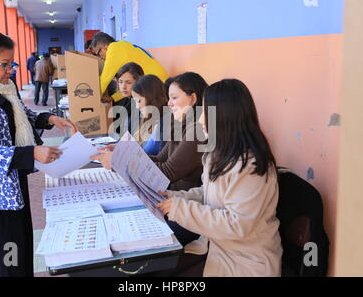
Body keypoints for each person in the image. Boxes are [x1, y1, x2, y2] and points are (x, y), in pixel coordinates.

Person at [0, 30, 77, 277]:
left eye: (13, 63)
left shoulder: (3, 87)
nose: (11, 70)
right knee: (9, 256)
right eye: (5, 64)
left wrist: (48, 117)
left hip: (14, 182)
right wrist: (31, 153)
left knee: (21, 248)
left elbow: (20, 115)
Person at [156, 79, 283, 277]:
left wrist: (179, 208)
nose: (200, 120)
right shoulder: (220, 154)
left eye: (206, 112)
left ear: (225, 117)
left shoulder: (252, 166)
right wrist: (171, 197)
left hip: (245, 263)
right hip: (217, 250)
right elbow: (209, 194)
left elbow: (236, 224)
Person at [92, 72, 207, 245]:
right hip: (166, 198)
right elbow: (159, 159)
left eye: (174, 98)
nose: (169, 103)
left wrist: (118, 162)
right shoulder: (181, 124)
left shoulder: (197, 131)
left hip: (183, 207)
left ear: (193, 99)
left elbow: (167, 172)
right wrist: (123, 151)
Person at [90, 32, 168, 103]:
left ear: (104, 48)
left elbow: (104, 79)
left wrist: (90, 100)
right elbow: (130, 83)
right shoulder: (123, 46)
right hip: (157, 84)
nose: (99, 57)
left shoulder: (114, 49)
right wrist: (113, 98)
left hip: (156, 86)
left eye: (98, 53)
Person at [131, 74, 169, 155]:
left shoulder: (165, 123)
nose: (137, 107)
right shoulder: (148, 118)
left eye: (139, 101)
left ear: (151, 98)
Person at [112, 62, 144, 135]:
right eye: (120, 82)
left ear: (139, 82)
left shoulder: (141, 105)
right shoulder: (124, 101)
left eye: (128, 83)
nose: (123, 87)